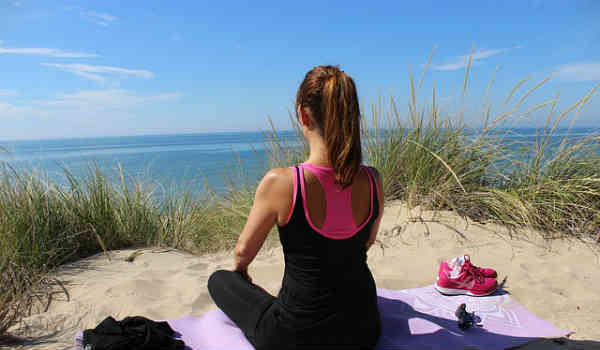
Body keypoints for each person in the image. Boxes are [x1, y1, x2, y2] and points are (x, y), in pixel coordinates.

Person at [207, 65, 384, 350]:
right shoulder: (373, 180)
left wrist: (240, 272)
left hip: (297, 338)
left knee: (220, 280)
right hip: (363, 330)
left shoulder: (283, 183)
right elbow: (367, 242)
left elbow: (242, 253)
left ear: (302, 114)